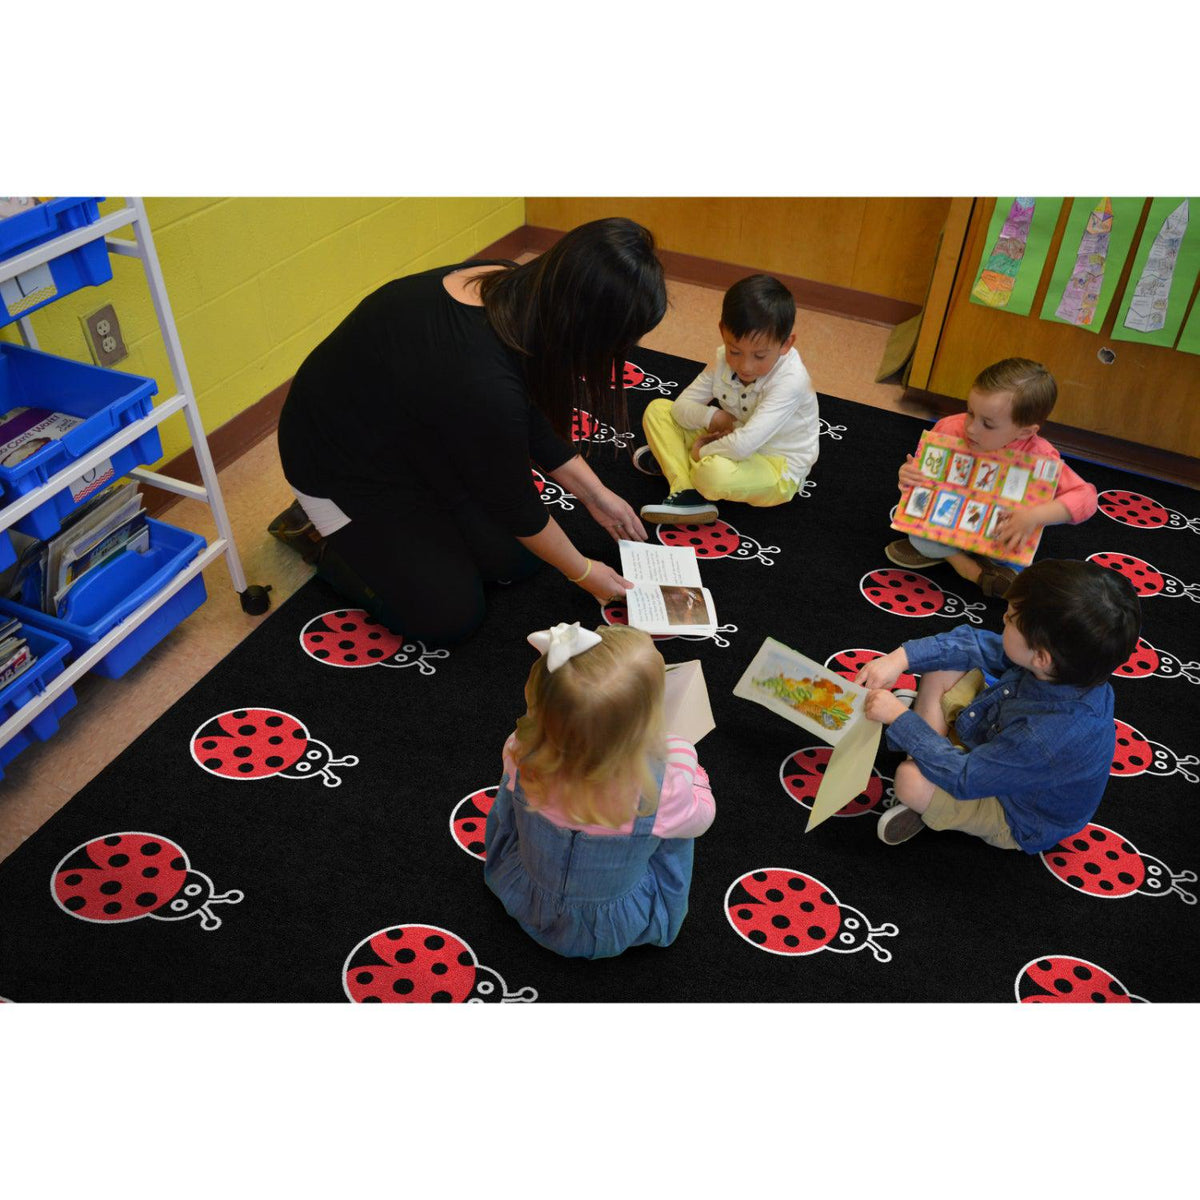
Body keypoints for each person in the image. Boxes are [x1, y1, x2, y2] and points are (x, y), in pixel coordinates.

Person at [273, 218, 668, 645]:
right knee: (448, 615)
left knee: (517, 561)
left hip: (418, 435)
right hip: (338, 467)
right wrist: (585, 572)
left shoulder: (511, 285)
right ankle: (317, 535)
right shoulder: (481, 381)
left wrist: (594, 494)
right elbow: (514, 501)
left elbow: (526, 409)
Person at [855, 558, 1141, 853]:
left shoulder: (1042, 737)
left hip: (1015, 810)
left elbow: (966, 777)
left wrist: (900, 719)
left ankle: (925, 777)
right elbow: (974, 645)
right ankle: (928, 754)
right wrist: (900, 658)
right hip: (998, 744)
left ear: (1041, 658)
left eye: (1012, 618)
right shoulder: (1064, 667)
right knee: (943, 663)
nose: (1003, 618)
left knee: (909, 780)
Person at [484, 622, 716, 959]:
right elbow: (702, 817)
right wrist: (684, 754)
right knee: (676, 823)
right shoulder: (661, 788)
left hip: (526, 896)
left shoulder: (520, 750)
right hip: (611, 924)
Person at [886, 358, 1097, 599]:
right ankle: (968, 568)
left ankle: (962, 559)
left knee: (1013, 550)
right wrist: (908, 475)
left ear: (1025, 431)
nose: (971, 428)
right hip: (948, 521)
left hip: (997, 534)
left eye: (987, 423)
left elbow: (1087, 498)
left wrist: (1034, 516)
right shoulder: (949, 429)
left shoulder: (1040, 457)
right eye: (970, 412)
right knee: (916, 531)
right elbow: (922, 481)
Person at [635, 274, 819, 525]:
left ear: (786, 344)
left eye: (760, 356)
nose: (745, 366)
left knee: (713, 476)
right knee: (658, 410)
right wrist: (716, 417)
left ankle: (679, 466)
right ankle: (687, 490)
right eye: (735, 351)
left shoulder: (791, 380)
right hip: (732, 436)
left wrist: (701, 451)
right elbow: (681, 407)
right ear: (722, 331)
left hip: (776, 465)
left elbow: (743, 446)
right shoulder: (723, 357)